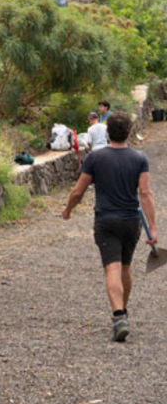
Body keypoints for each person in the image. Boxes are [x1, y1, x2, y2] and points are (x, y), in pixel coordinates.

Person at [62, 111, 156, 342]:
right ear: (129, 132)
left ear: (107, 132)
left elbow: (78, 191)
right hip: (131, 222)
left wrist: (68, 210)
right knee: (125, 268)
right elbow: (145, 193)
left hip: (106, 221)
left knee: (111, 269)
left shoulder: (95, 158)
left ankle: (118, 316)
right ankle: (122, 312)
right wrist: (152, 228)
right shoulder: (139, 158)